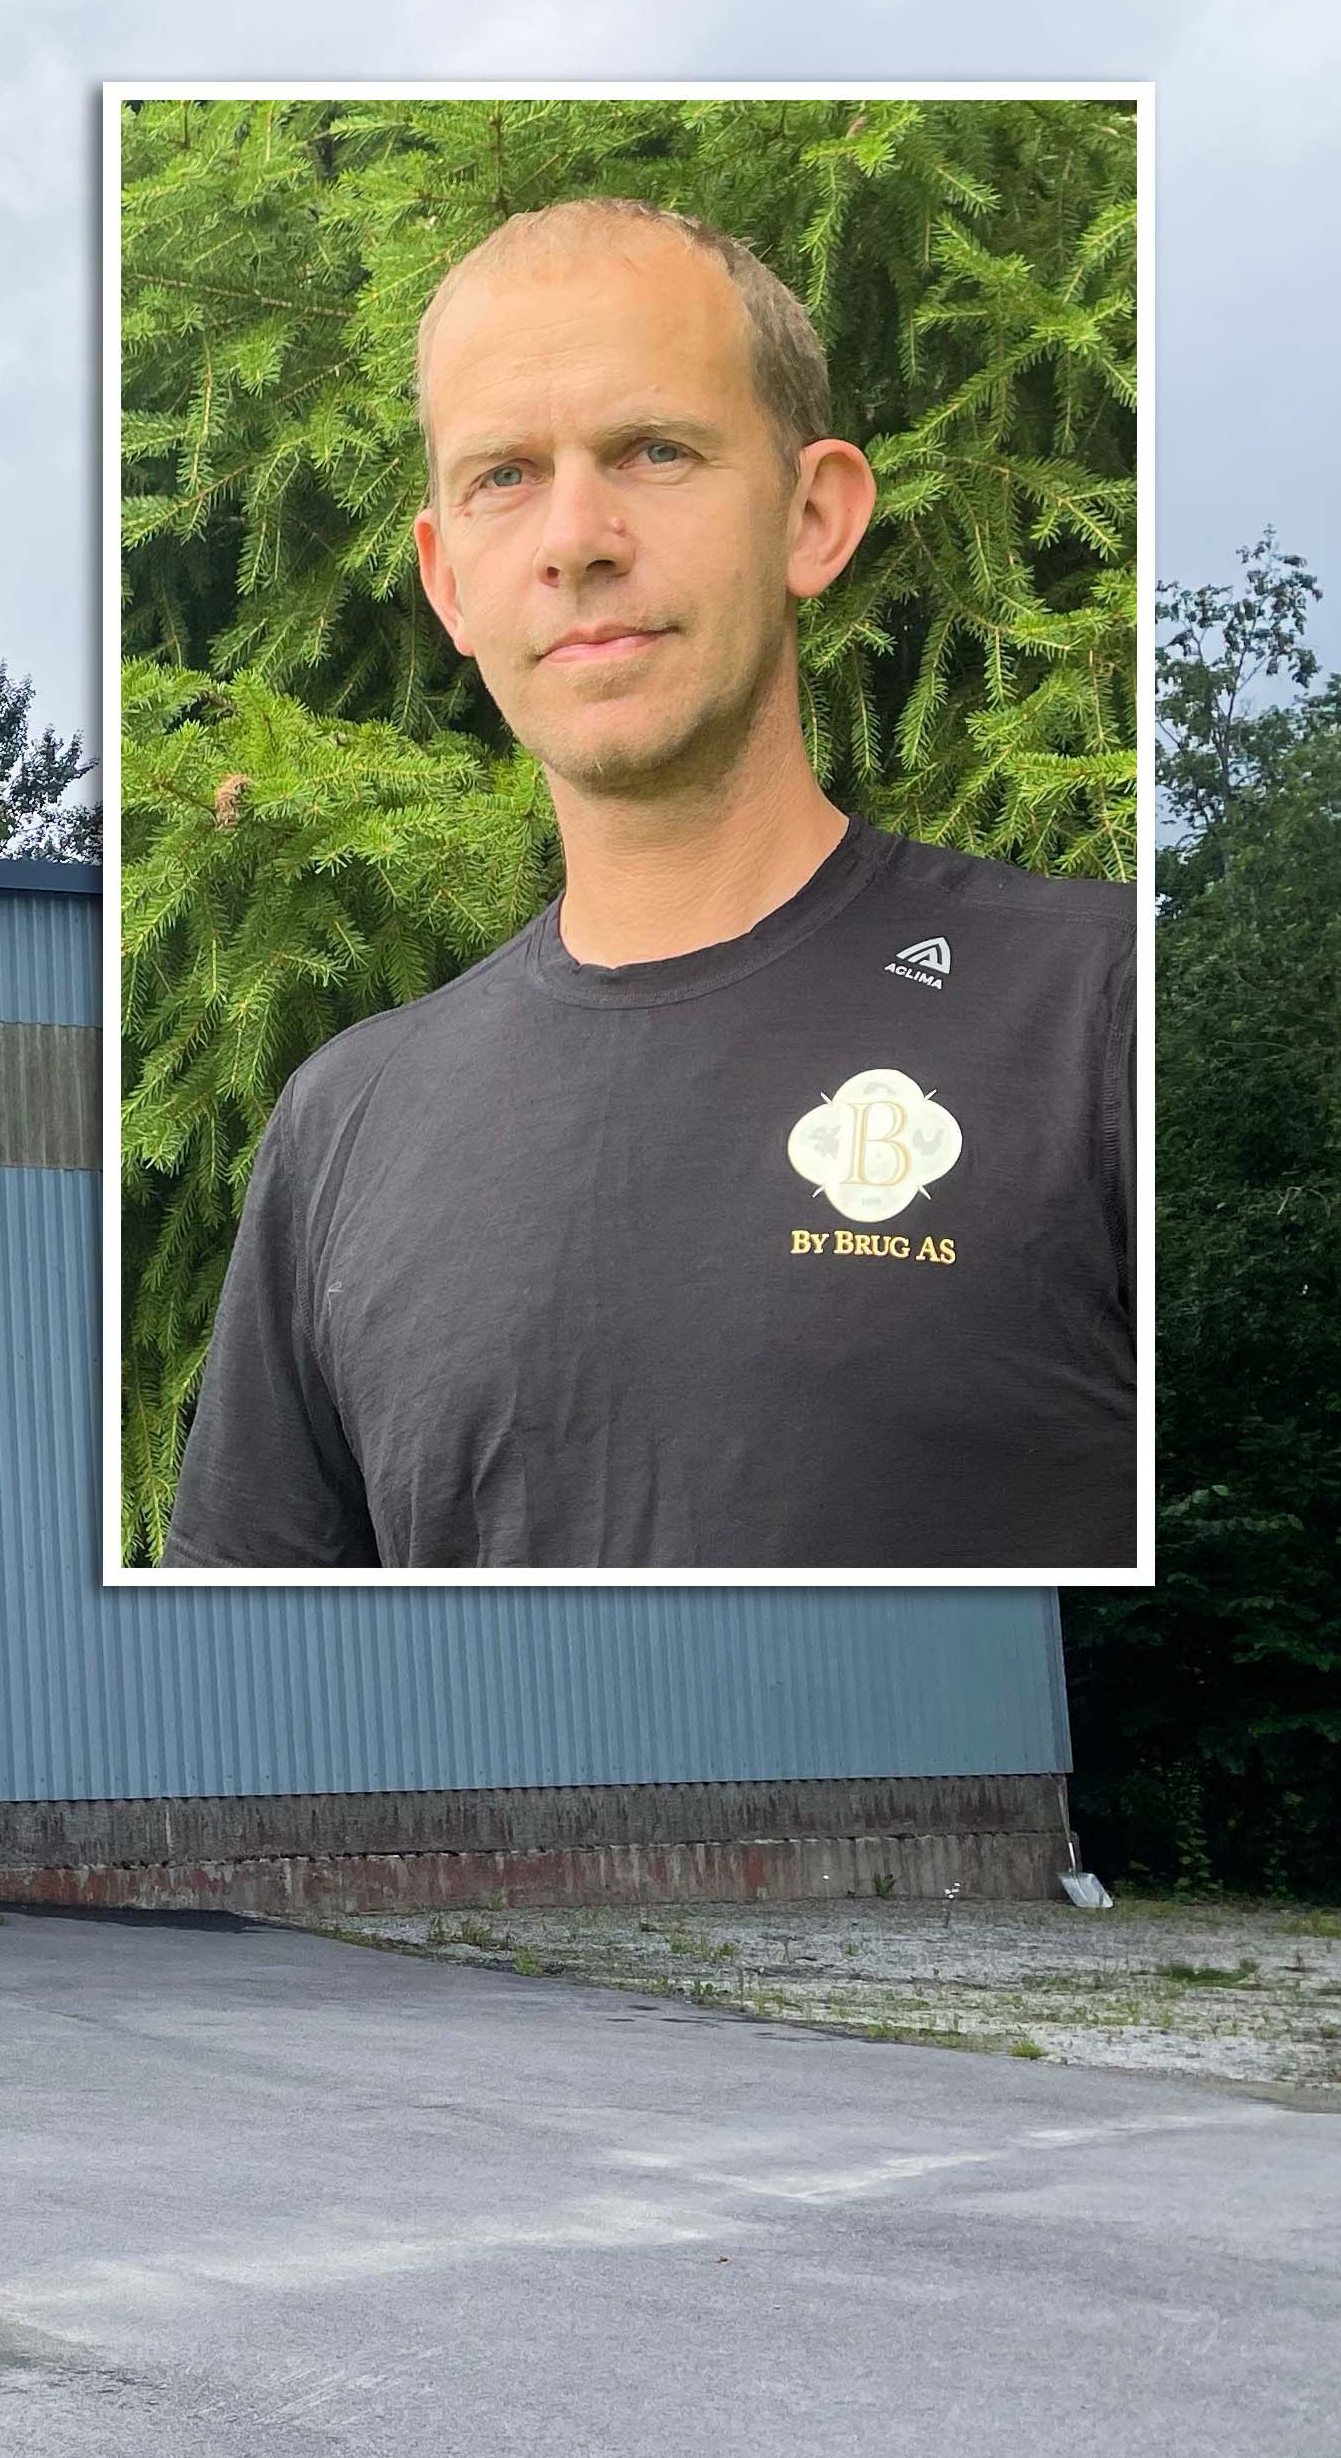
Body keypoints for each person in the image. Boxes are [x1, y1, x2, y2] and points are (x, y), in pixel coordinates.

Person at [161, 199, 1134, 1570]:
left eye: (655, 450)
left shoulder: (1106, 1013)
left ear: (812, 516)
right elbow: (239, 1671)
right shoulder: (343, 1128)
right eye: (504, 476)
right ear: (450, 583)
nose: (576, 538)